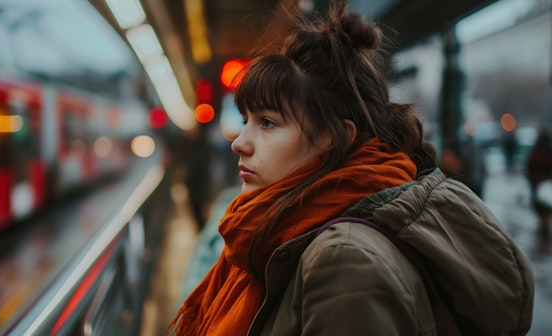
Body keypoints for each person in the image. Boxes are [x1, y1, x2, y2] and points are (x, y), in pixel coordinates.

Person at [168, 4, 534, 335]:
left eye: (267, 123)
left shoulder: (343, 260)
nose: (239, 143)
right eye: (246, 120)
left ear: (333, 138)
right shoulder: (283, 233)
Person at [526, 126, 552, 234]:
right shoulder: (546, 150)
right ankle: (545, 224)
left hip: (538, 183)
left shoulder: (536, 150)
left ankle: (544, 225)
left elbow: (529, 166)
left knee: (541, 207)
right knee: (545, 207)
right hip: (542, 183)